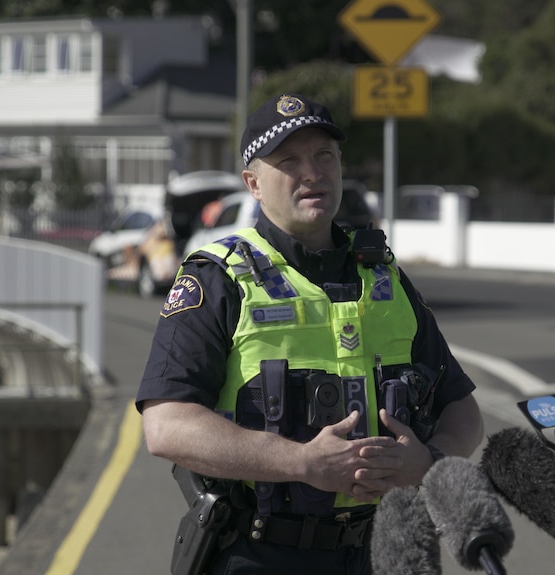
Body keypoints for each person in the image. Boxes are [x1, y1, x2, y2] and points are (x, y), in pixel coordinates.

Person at [136, 93, 484, 575]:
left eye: (324, 155)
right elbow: (166, 425)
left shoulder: (384, 277)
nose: (313, 173)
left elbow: (461, 408)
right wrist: (301, 462)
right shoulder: (219, 278)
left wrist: (430, 460)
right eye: (289, 161)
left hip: (383, 551)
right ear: (253, 183)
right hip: (260, 555)